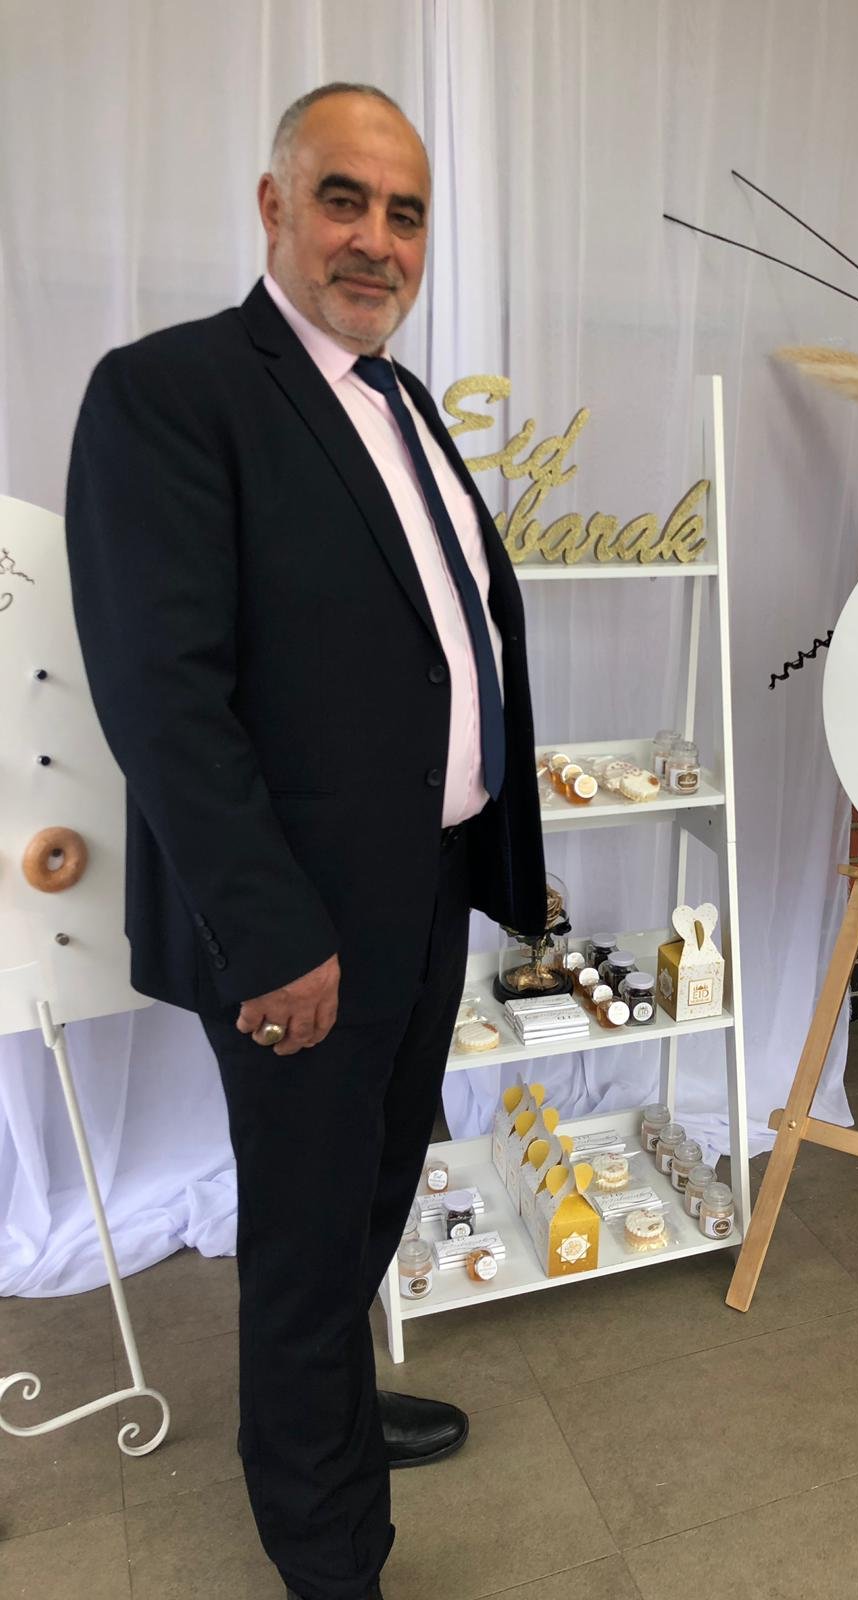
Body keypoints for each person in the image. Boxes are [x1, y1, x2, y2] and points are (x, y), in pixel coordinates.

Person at [64, 82, 545, 1600]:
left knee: (373, 1193)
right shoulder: (170, 391)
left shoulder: (400, 402)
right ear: (274, 207)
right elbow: (163, 698)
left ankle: (322, 1413)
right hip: (302, 927)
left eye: (406, 213)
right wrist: (271, 935)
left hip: (422, 891)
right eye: (344, 199)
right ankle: (328, 1544)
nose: (376, 239)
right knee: (307, 1230)